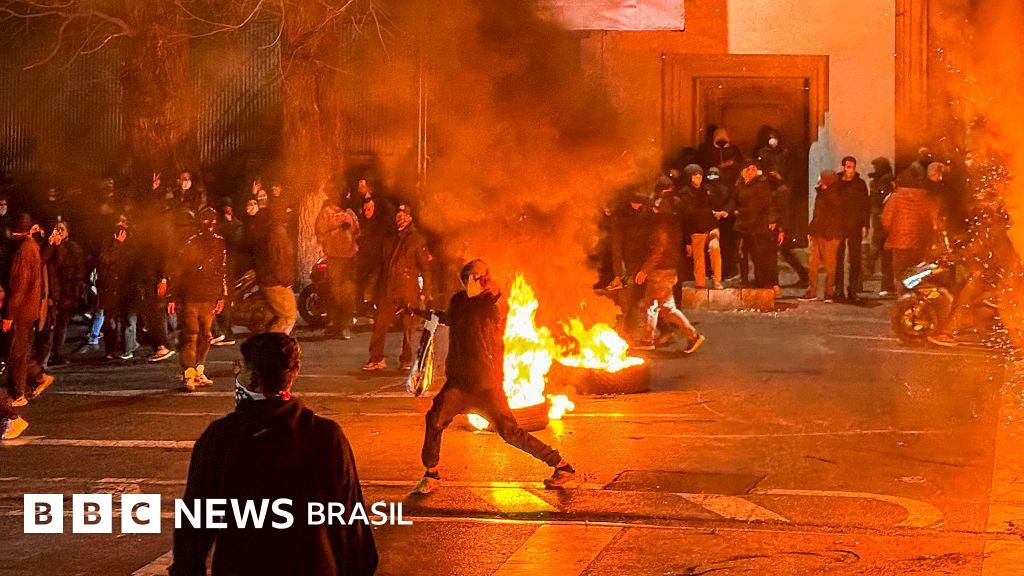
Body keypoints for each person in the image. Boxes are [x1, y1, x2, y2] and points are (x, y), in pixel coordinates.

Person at [170, 332, 378, 576]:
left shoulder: (223, 437)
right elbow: (349, 518)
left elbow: (197, 520)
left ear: (255, 379)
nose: (239, 376)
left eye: (242, 370)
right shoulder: (325, 435)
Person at [412, 260, 575, 494]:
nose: (478, 278)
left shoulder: (487, 306)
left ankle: (561, 465)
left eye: (480, 275)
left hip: (485, 384)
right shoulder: (458, 302)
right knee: (435, 419)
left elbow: (485, 304)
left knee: (511, 433)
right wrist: (414, 310)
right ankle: (431, 473)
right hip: (458, 382)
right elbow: (448, 317)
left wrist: (484, 285)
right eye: (474, 274)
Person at [364, 205, 431, 372]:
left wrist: (426, 291)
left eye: (404, 215)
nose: (400, 218)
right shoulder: (390, 238)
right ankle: (376, 359)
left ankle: (406, 359)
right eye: (398, 214)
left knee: (408, 327)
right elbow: (382, 265)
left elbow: (425, 267)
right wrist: (372, 288)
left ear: (410, 218)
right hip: (388, 289)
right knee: (380, 324)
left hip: (407, 290)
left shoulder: (417, 239)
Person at [634, 197, 705, 353]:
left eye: (657, 207)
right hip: (669, 270)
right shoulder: (673, 224)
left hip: (660, 271)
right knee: (661, 306)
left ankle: (649, 339)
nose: (654, 209)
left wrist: (644, 270)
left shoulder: (661, 227)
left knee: (655, 305)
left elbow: (658, 250)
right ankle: (690, 336)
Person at [169, 207, 227, 391]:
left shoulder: (219, 243)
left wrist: (221, 296)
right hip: (191, 297)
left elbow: (222, 270)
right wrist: (173, 296)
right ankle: (189, 374)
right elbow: (178, 272)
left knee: (206, 336)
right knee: (191, 335)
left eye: (212, 221)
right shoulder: (190, 244)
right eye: (206, 220)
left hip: (208, 298)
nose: (209, 224)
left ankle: (198, 369)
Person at [3, 215, 54, 407]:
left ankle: (18, 394)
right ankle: (37, 377)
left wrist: (9, 315)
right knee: (19, 350)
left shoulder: (22, 250)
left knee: (16, 352)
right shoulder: (31, 247)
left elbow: (19, 285)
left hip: (20, 310)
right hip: (28, 308)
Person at [37, 222, 86, 367]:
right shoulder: (49, 246)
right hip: (53, 291)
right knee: (49, 325)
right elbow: (41, 262)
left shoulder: (72, 248)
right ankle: (45, 356)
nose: (59, 232)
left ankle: (57, 353)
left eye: (62, 229)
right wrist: (51, 245)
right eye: (56, 229)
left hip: (67, 292)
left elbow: (66, 264)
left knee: (61, 325)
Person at [882, 167, 940, 285]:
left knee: (900, 273)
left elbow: (886, 220)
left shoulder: (895, 197)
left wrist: (891, 231)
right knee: (916, 273)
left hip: (899, 242)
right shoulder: (924, 197)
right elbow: (928, 219)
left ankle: (903, 297)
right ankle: (915, 297)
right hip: (918, 242)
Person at [607, 189, 650, 343]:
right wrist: (618, 273)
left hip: (644, 262)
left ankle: (635, 332)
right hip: (629, 263)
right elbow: (616, 246)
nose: (638, 206)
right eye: (635, 203)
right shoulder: (620, 216)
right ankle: (628, 334)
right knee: (629, 300)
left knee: (641, 299)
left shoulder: (646, 211)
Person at [315, 193, 360, 339]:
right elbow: (321, 235)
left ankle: (344, 326)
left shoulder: (349, 213)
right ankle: (333, 324)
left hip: (350, 258)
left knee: (348, 293)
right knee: (334, 292)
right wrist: (338, 229)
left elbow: (357, 232)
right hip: (335, 259)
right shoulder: (326, 213)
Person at [733, 161, 779, 289]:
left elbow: (769, 203)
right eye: (748, 170)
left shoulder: (762, 185)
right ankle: (744, 279)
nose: (750, 172)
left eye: (753, 170)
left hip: (758, 225)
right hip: (742, 225)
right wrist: (735, 212)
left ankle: (761, 280)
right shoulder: (739, 185)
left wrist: (772, 219)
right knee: (742, 253)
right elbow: (735, 201)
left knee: (758, 255)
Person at [800, 171, 845, 302]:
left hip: (829, 235)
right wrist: (812, 230)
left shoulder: (834, 195)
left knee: (830, 266)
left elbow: (832, 217)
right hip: (818, 234)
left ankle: (828, 292)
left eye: (821, 178)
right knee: (813, 264)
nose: (818, 179)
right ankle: (812, 291)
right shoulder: (822, 193)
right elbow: (817, 215)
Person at [97, 222, 139, 360]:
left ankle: (128, 348)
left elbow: (133, 266)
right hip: (110, 288)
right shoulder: (108, 246)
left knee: (128, 320)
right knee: (110, 321)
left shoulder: (131, 248)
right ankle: (111, 349)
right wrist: (117, 244)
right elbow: (105, 260)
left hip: (126, 288)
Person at [680, 164, 726, 289]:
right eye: (695, 175)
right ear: (689, 177)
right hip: (696, 229)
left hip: (711, 226)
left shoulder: (707, 189)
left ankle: (717, 280)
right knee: (699, 258)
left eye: (700, 175)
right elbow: (688, 215)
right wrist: (687, 240)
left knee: (715, 250)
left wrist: (717, 213)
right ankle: (700, 283)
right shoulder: (685, 193)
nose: (698, 178)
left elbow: (714, 205)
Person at [254, 204, 297, 334]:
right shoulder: (277, 233)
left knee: (273, 316)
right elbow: (279, 259)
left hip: (268, 279)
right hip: (275, 282)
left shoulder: (269, 231)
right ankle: (274, 345)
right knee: (288, 316)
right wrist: (285, 279)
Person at [832, 156, 870, 302]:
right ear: (843, 167)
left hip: (854, 224)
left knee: (855, 258)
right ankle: (838, 289)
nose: (849, 170)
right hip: (839, 224)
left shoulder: (859, 184)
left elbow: (865, 205)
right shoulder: (836, 182)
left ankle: (853, 290)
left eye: (852, 167)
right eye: (847, 167)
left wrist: (865, 224)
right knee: (838, 258)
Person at [212, 201, 245, 347]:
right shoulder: (221, 226)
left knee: (224, 300)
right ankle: (222, 331)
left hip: (228, 267)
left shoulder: (236, 226)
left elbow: (235, 242)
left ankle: (226, 333)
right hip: (223, 266)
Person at [867, 157, 896, 296]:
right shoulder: (879, 181)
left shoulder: (886, 182)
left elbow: (882, 200)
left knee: (884, 253)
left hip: (884, 221)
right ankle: (886, 284)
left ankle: (887, 284)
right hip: (879, 220)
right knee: (882, 253)